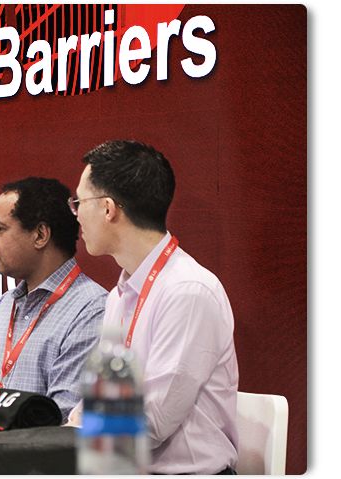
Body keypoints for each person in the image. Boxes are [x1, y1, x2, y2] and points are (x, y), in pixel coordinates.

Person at [72, 140, 239, 475]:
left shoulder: (187, 291)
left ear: (108, 209)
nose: (75, 214)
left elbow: (151, 421)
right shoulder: (119, 295)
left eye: (79, 202)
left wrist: (70, 437)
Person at [0, 178, 106, 420]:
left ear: (40, 235)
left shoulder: (91, 311)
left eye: (0, 228)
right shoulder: (3, 306)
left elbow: (61, 417)